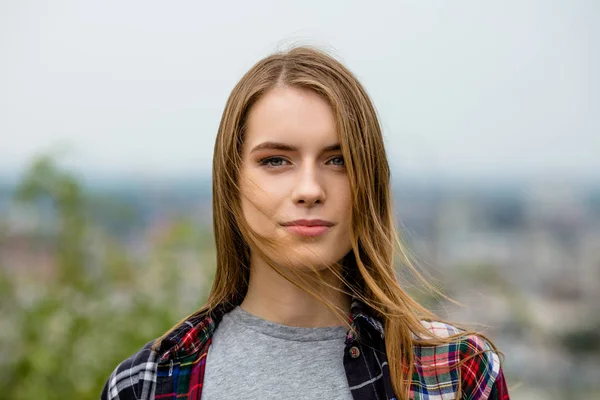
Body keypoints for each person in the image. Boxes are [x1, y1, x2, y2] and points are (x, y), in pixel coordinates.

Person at [101, 46, 510, 400]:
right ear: (232, 182)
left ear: (370, 181)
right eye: (276, 160)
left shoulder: (455, 373)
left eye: (339, 160)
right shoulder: (145, 385)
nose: (310, 189)